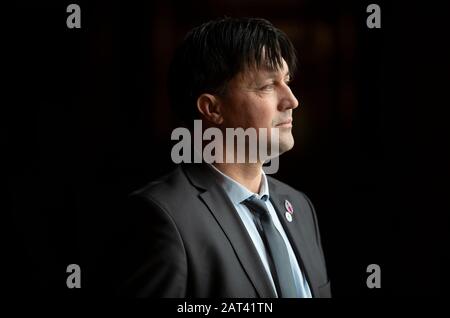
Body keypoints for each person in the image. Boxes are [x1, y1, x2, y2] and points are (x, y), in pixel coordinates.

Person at [118, 17, 330, 298]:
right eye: (267, 85)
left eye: (287, 81)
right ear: (211, 108)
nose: (291, 100)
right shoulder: (163, 216)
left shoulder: (299, 207)